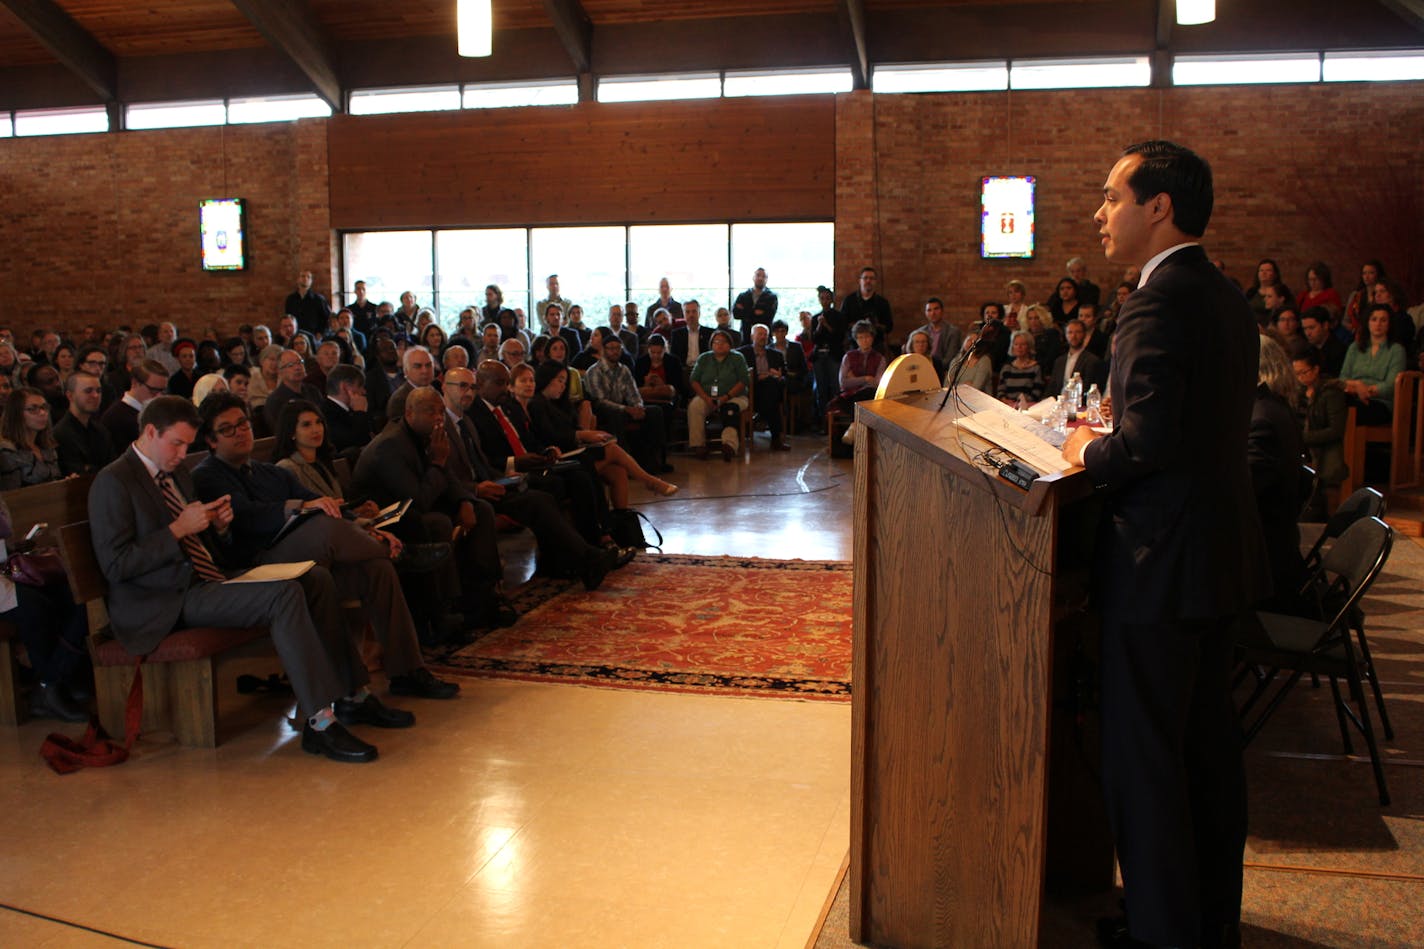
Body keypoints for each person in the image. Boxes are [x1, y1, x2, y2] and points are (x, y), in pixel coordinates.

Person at [1061, 140, 1268, 949]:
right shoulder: (1222, 293)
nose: (1100, 212)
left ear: (1159, 207)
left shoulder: (1155, 299)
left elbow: (1143, 444)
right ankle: (1207, 919)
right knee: (1206, 753)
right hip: (1215, 557)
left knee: (1145, 763)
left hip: (1159, 564)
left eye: (1112, 196)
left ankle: (1160, 931)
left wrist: (1084, 451)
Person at [88, 396, 382, 763]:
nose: (182, 454)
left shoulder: (175, 473)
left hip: (206, 579)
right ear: (151, 432)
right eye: (176, 443)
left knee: (315, 578)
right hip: (163, 600)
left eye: (187, 445)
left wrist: (220, 527)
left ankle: (353, 694)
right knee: (284, 594)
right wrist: (177, 530)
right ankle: (320, 722)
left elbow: (205, 542)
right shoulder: (114, 481)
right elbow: (116, 565)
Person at [192, 394, 458, 704]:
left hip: (305, 560)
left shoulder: (270, 473)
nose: (240, 432)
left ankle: (407, 671)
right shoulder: (207, 474)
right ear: (211, 440)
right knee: (322, 525)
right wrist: (303, 507)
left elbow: (327, 505)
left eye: (243, 424)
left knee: (377, 570)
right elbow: (247, 518)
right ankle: (401, 554)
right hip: (257, 563)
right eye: (228, 429)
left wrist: (366, 528)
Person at [528, 361, 677, 507]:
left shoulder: (557, 403)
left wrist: (587, 435)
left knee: (618, 472)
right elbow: (549, 436)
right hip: (559, 456)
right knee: (611, 449)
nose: (563, 385)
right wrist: (582, 435)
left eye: (565, 381)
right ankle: (649, 481)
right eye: (560, 380)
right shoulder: (537, 403)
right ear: (546, 379)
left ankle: (622, 520)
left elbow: (571, 429)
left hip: (573, 450)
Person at [0, 493, 91, 721]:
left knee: (70, 592)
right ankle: (51, 685)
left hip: (5, 571)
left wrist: (17, 546)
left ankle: (58, 679)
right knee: (35, 607)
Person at [1249, 336, 1305, 611]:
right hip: (1274, 537)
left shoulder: (1262, 419)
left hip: (1265, 556)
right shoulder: (1272, 407)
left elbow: (1242, 490)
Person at [584, 333, 670, 469]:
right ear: (603, 350)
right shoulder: (594, 371)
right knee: (615, 414)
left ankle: (654, 460)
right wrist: (626, 409)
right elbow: (600, 400)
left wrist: (638, 407)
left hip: (624, 408)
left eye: (618, 348)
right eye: (611, 348)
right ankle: (625, 464)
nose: (614, 351)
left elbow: (633, 394)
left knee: (655, 412)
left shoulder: (624, 370)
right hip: (602, 410)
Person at [1293, 347, 1348, 519]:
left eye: (1304, 372)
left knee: (1329, 508)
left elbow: (1336, 430)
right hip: (1306, 455)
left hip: (1327, 458)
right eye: (1296, 373)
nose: (1300, 377)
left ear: (1316, 369)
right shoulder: (1298, 393)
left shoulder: (1331, 393)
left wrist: (1304, 437)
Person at [687, 329, 751, 462]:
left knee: (730, 408)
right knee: (695, 407)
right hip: (707, 396)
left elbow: (744, 380)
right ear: (711, 344)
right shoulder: (704, 358)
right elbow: (694, 380)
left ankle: (729, 445)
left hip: (734, 397)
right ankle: (698, 445)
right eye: (716, 342)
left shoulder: (737, 358)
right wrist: (706, 398)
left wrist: (726, 397)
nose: (720, 344)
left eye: (723, 342)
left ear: (730, 344)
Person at [1339, 303, 1406, 425]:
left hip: (1380, 402)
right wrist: (1357, 386)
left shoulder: (1396, 350)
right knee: (1333, 402)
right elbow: (1343, 378)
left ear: (1389, 324)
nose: (1378, 324)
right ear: (1367, 322)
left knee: (1345, 407)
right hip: (1353, 396)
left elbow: (1391, 386)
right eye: (1374, 319)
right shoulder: (1354, 347)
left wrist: (1366, 391)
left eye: (1383, 320)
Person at [737, 324, 790, 451]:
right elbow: (739, 376)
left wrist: (778, 376)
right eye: (760, 334)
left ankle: (761, 418)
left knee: (771, 386)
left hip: (770, 389)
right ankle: (775, 438)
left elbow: (784, 378)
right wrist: (757, 377)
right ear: (752, 336)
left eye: (765, 335)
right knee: (771, 396)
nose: (763, 337)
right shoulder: (741, 354)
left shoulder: (776, 355)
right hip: (750, 390)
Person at [54, 371, 117, 476]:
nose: (95, 395)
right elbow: (78, 473)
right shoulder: (61, 434)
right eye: (88, 391)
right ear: (70, 396)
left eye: (99, 390)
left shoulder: (101, 430)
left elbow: (113, 465)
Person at [98, 359, 168, 450]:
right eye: (153, 390)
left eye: (163, 391)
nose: (159, 396)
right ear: (135, 383)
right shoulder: (115, 417)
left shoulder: (157, 411)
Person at [0, 388, 63, 488]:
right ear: (16, 414)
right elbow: (11, 495)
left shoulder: (47, 447)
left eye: (44, 407)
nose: (42, 413)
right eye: (33, 409)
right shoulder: (7, 450)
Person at [830, 320, 886, 413]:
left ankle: (855, 425)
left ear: (872, 337)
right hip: (850, 396)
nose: (864, 340)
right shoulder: (848, 357)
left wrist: (854, 380)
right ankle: (857, 425)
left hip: (871, 396)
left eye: (867, 337)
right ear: (856, 339)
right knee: (858, 401)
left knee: (869, 395)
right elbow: (843, 383)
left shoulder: (880, 358)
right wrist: (866, 379)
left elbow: (878, 384)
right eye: (860, 337)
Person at [840, 266, 893, 351]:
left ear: (875, 281)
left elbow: (889, 327)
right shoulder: (849, 301)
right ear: (860, 281)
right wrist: (859, 325)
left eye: (872, 278)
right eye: (865, 278)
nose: (868, 281)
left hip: (876, 346)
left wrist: (875, 325)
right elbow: (842, 323)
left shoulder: (882, 303)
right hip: (854, 346)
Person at [902, 297, 962, 369]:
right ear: (926, 313)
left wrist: (932, 366)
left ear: (942, 311)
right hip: (919, 367)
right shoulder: (920, 332)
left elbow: (950, 359)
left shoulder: (953, 332)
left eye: (936, 309)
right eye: (929, 310)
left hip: (941, 369)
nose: (933, 313)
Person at [996, 332, 1043, 406]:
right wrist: (1006, 401)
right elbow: (1001, 390)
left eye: (1023, 344)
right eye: (1016, 344)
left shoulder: (1036, 368)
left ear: (1029, 347)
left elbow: (1036, 393)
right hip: (1007, 405)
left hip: (1027, 406)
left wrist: (1018, 404)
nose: (1019, 347)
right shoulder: (1007, 367)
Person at [1300, 306, 1346, 376]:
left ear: (1325, 325)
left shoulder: (1339, 351)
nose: (1307, 333)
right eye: (1305, 329)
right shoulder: (1306, 348)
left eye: (1311, 328)